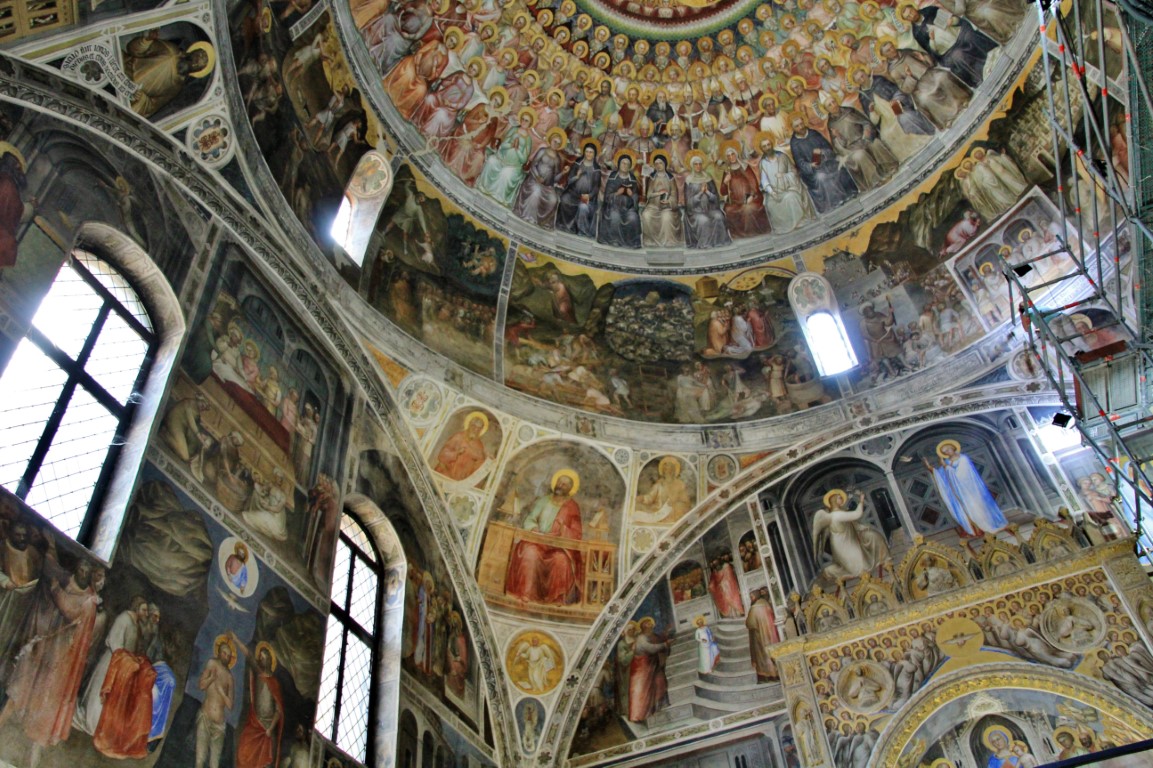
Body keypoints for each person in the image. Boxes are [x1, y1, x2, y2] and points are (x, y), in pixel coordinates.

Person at [504, 470, 583, 605]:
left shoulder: (572, 506)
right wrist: (534, 528)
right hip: (537, 541)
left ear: (570, 489)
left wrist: (563, 529)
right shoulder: (543, 501)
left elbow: (577, 532)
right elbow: (530, 519)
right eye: (559, 482)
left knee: (561, 560)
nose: (560, 486)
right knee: (530, 554)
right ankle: (525, 593)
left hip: (558, 546)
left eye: (565, 484)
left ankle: (557, 597)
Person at [926, 439, 1007, 535]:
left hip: (970, 489)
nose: (947, 452)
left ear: (953, 448)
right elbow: (941, 476)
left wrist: (945, 466)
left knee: (978, 507)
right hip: (960, 492)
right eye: (945, 452)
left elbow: (962, 475)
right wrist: (930, 467)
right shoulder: (947, 461)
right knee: (967, 509)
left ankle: (987, 525)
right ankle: (977, 528)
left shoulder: (963, 459)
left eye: (948, 450)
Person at [123, 32, 214, 117]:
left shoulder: (176, 87)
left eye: (204, 60)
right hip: (123, 67)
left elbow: (152, 106)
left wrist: (142, 98)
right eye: (202, 53)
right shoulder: (170, 50)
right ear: (192, 51)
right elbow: (134, 49)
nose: (202, 57)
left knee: (129, 112)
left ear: (199, 69)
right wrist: (147, 40)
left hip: (131, 95)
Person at [812, 489, 891, 580]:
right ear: (834, 501)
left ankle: (885, 560)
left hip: (853, 538)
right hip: (844, 546)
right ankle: (829, 571)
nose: (841, 499)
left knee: (874, 536)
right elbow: (857, 514)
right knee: (862, 568)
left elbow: (853, 524)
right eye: (839, 498)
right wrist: (861, 499)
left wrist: (862, 527)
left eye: (841, 497)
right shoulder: (836, 515)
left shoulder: (841, 512)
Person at [235, 638, 284, 768]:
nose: (261, 660)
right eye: (260, 658)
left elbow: (279, 711)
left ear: (269, 660)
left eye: (264, 658)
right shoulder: (258, 675)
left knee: (265, 762)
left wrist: (270, 728)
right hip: (255, 723)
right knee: (243, 751)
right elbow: (249, 655)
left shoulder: (274, 683)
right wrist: (235, 639)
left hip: (267, 727)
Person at [757, 136, 815, 234]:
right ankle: (785, 225)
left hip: (789, 188)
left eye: (768, 145)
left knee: (791, 197)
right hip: (775, 191)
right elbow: (764, 181)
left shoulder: (782, 157)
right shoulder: (763, 163)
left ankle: (799, 221)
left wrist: (784, 176)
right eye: (764, 146)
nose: (767, 148)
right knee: (771, 204)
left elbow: (793, 172)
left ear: (772, 145)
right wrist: (771, 191)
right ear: (762, 149)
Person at [195, 634, 236, 768]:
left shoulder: (230, 677)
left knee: (214, 765)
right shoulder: (211, 663)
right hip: (205, 718)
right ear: (219, 652)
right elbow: (201, 685)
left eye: (228, 655)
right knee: (200, 760)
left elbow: (230, 705)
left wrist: (222, 692)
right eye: (224, 653)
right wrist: (211, 679)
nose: (226, 656)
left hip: (219, 727)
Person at [513, 128, 566, 228]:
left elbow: (555, 178)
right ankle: (529, 218)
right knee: (536, 192)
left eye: (558, 143)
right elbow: (533, 165)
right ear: (550, 140)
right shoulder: (543, 151)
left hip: (547, 186)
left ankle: (542, 221)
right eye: (555, 141)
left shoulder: (558, 159)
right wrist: (537, 176)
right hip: (534, 180)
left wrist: (563, 172)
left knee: (553, 200)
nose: (556, 144)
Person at [684, 152, 731, 248]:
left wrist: (708, 193)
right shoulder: (689, 181)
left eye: (700, 164)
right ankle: (705, 244)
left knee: (719, 216)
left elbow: (716, 198)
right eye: (695, 164)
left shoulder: (708, 178)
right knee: (703, 220)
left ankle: (720, 242)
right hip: (696, 212)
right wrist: (701, 193)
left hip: (710, 209)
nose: (698, 166)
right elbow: (688, 203)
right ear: (692, 166)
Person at [627, 617, 671, 722]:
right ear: (642, 627)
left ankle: (660, 704)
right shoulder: (641, 638)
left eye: (651, 624)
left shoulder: (652, 636)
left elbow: (657, 644)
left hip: (653, 665)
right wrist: (665, 644)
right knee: (643, 689)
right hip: (643, 667)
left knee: (659, 682)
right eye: (647, 624)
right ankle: (639, 714)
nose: (650, 626)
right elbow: (651, 648)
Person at [556, 142, 602, 238]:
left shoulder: (597, 169)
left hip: (585, 197)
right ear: (584, 152)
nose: (589, 154)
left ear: (594, 154)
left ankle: (580, 230)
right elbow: (569, 180)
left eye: (591, 152)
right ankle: (564, 226)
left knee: (583, 207)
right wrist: (577, 177)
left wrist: (589, 196)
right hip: (572, 193)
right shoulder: (577, 163)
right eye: (587, 152)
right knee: (564, 199)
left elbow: (596, 187)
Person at [598, 153, 642, 248]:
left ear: (630, 166)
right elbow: (607, 197)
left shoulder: (632, 179)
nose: (625, 166)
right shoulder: (613, 177)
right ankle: (614, 240)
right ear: (618, 164)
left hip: (628, 208)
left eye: (627, 164)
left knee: (633, 218)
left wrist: (632, 195)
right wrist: (617, 193)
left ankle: (631, 242)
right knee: (615, 217)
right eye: (623, 163)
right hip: (613, 207)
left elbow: (636, 198)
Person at [640, 154, 684, 247]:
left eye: (660, 163)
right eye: (656, 163)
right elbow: (648, 195)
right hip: (653, 206)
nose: (658, 165)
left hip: (667, 207)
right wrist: (659, 193)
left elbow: (674, 196)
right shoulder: (652, 177)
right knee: (646, 215)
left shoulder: (670, 178)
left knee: (666, 217)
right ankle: (650, 241)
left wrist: (669, 201)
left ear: (665, 164)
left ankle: (669, 241)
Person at [634, 456, 693, 525]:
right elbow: (650, 497)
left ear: (673, 469)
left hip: (674, 511)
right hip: (658, 511)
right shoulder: (660, 483)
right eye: (664, 468)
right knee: (638, 508)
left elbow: (686, 501)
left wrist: (674, 503)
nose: (666, 469)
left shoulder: (680, 484)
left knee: (679, 507)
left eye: (668, 467)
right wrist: (643, 498)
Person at [434, 411, 491, 481]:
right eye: (474, 427)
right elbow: (442, 455)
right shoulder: (458, 437)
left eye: (478, 429)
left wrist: (487, 460)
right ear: (469, 425)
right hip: (446, 473)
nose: (475, 430)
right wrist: (457, 453)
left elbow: (479, 462)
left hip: (461, 479)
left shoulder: (479, 445)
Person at [746, 588, 780, 682]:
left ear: (755, 596)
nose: (751, 599)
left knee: (763, 657)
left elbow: (750, 623)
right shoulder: (766, 604)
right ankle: (776, 674)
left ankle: (768, 676)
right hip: (772, 634)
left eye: (751, 597)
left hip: (760, 637)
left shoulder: (754, 608)